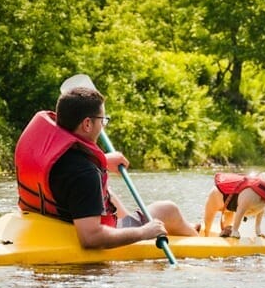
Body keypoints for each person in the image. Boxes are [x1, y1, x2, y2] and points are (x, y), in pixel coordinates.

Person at [15, 86, 199, 249]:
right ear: (87, 124)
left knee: (107, 190)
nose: (103, 125)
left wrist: (101, 159)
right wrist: (144, 232)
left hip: (52, 217)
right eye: (102, 120)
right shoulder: (85, 173)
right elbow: (91, 238)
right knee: (167, 209)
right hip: (87, 228)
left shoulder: (51, 149)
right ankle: (198, 240)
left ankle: (187, 227)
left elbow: (68, 169)